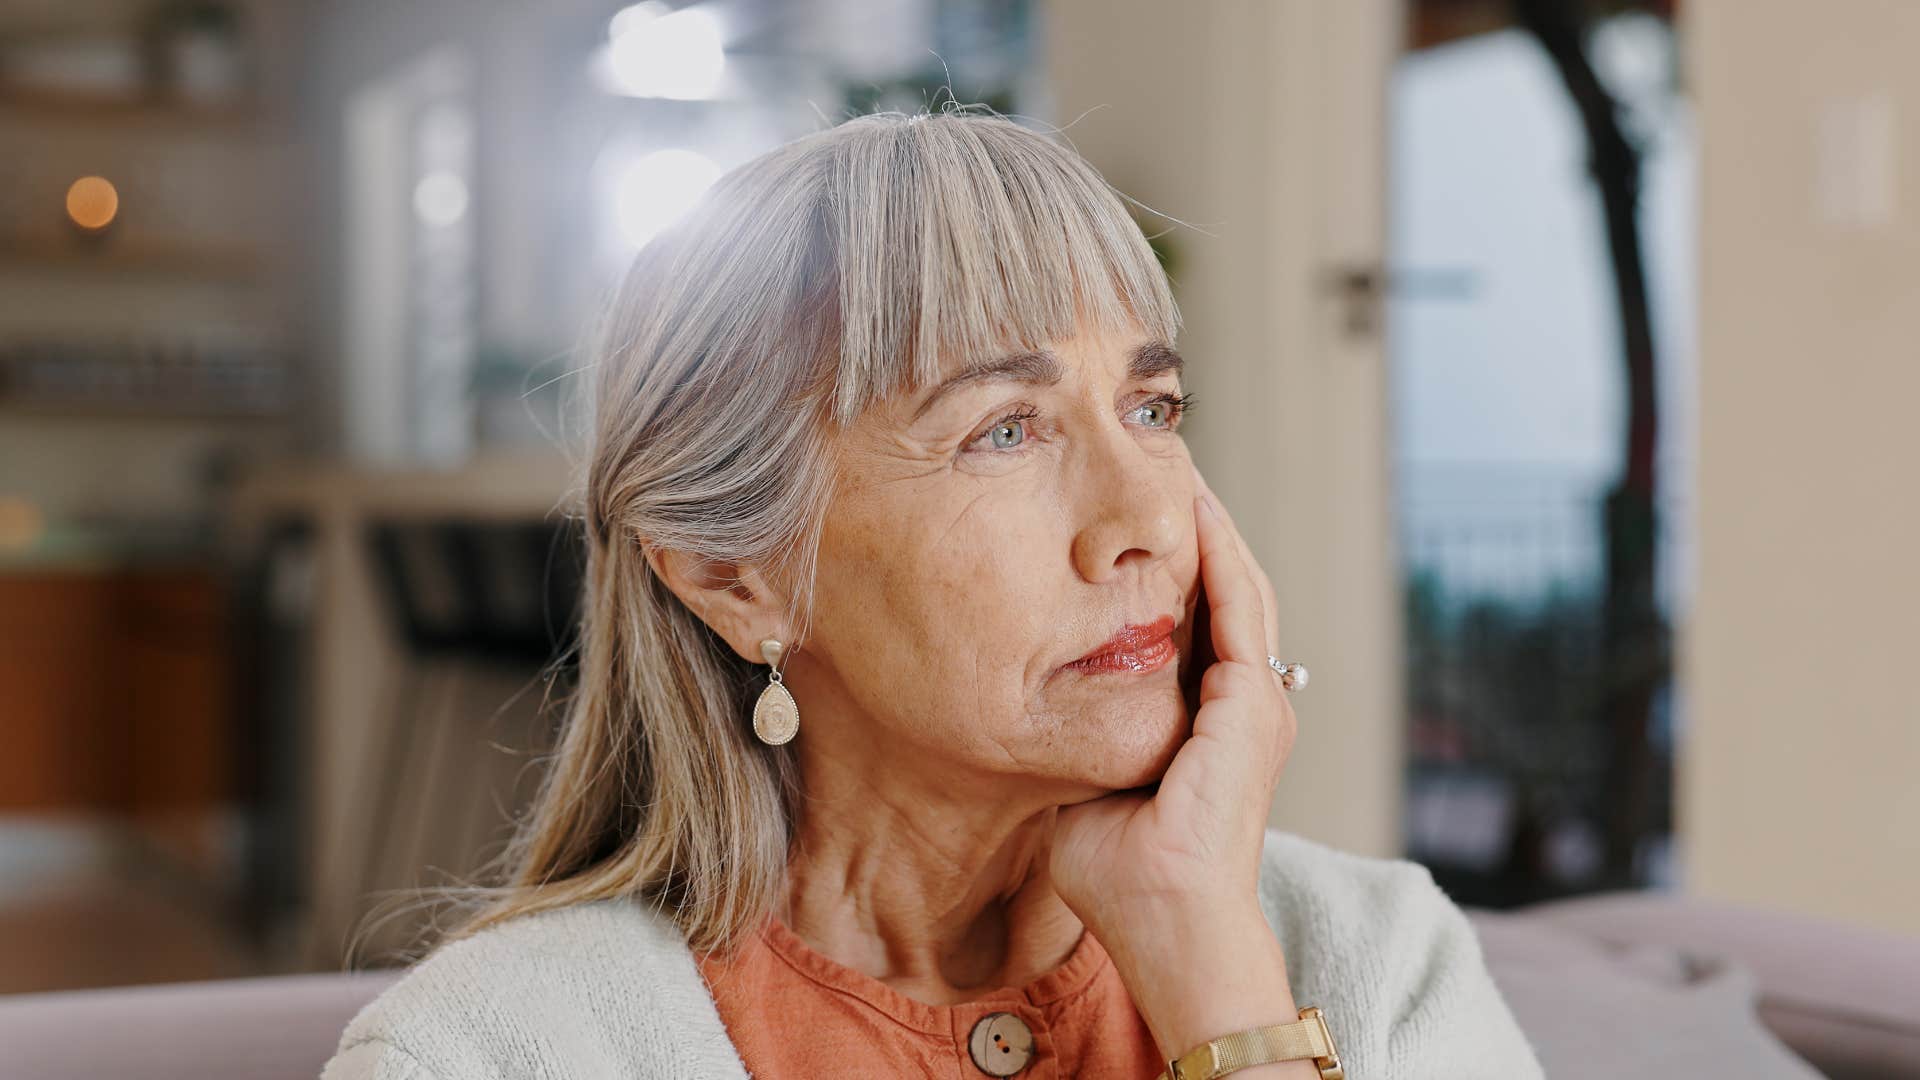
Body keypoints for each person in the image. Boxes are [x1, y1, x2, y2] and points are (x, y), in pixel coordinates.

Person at [321, 108, 1544, 1080]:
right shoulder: (488, 1056)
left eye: (1151, 408)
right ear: (731, 577)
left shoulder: (1377, 956)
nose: (1147, 520)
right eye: (1004, 431)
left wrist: (1216, 977)